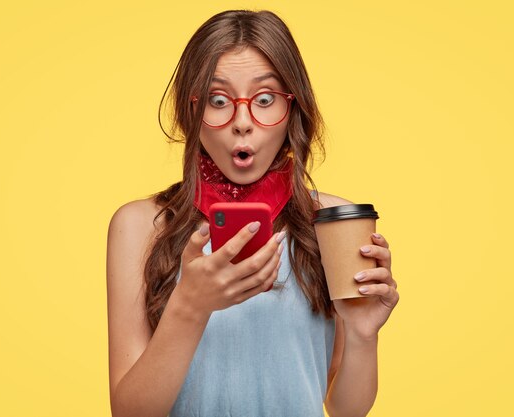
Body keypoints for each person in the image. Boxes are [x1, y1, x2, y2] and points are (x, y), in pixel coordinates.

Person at [106, 9, 399, 417]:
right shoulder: (139, 226)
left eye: (264, 100)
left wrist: (364, 334)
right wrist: (189, 306)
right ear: (191, 111)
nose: (242, 122)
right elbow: (130, 413)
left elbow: (345, 409)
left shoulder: (334, 222)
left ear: (293, 106)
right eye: (218, 100)